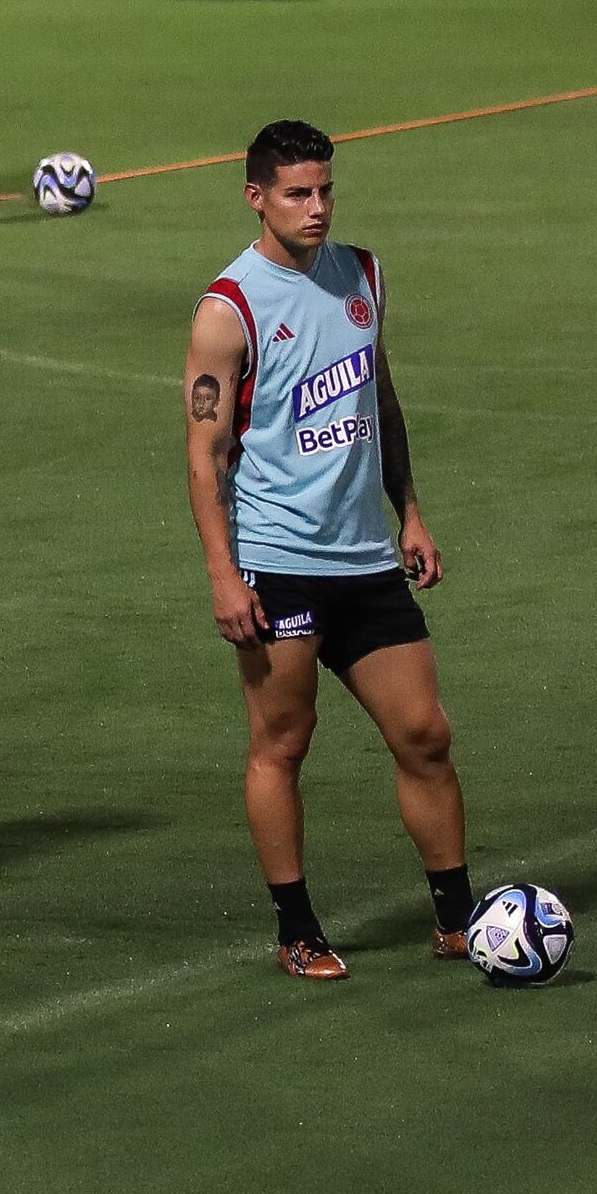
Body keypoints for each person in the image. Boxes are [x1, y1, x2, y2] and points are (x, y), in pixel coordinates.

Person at [187, 122, 482, 978]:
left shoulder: (363, 274)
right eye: (296, 194)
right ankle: (297, 928)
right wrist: (223, 573)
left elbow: (377, 398)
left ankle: (456, 916)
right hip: (279, 563)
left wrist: (412, 512)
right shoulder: (227, 310)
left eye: (325, 191)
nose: (316, 209)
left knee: (425, 733)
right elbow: (203, 455)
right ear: (256, 197)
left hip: (366, 559)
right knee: (284, 743)